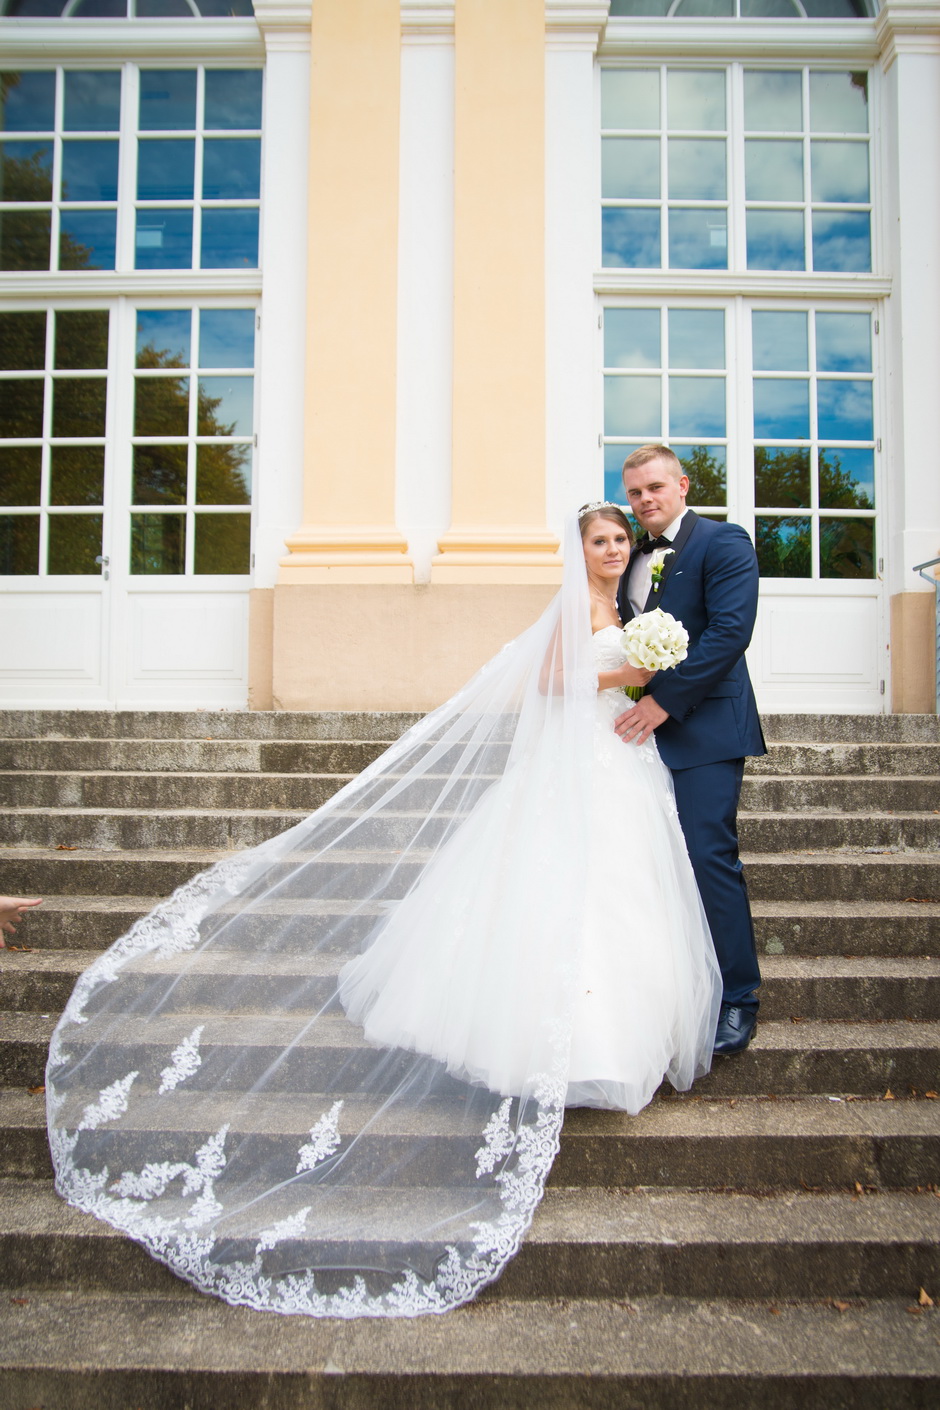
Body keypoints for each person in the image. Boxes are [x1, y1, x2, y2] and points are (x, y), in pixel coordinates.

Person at [46, 507, 719, 1321]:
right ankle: (546, 1045)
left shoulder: (631, 607)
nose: (612, 551)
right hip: (577, 757)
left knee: (623, 895)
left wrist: (644, 665)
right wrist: (631, 674)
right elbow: (549, 682)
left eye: (618, 541)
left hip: (618, 760)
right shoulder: (576, 608)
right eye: (599, 542)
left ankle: (610, 1042)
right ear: (578, 553)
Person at [614, 445, 766, 1056]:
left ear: (681, 485)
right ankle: (672, 991)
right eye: (634, 493)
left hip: (702, 729)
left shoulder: (723, 543)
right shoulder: (627, 555)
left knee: (708, 857)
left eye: (655, 487)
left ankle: (739, 997)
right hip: (634, 737)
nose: (645, 500)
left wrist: (663, 702)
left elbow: (730, 632)